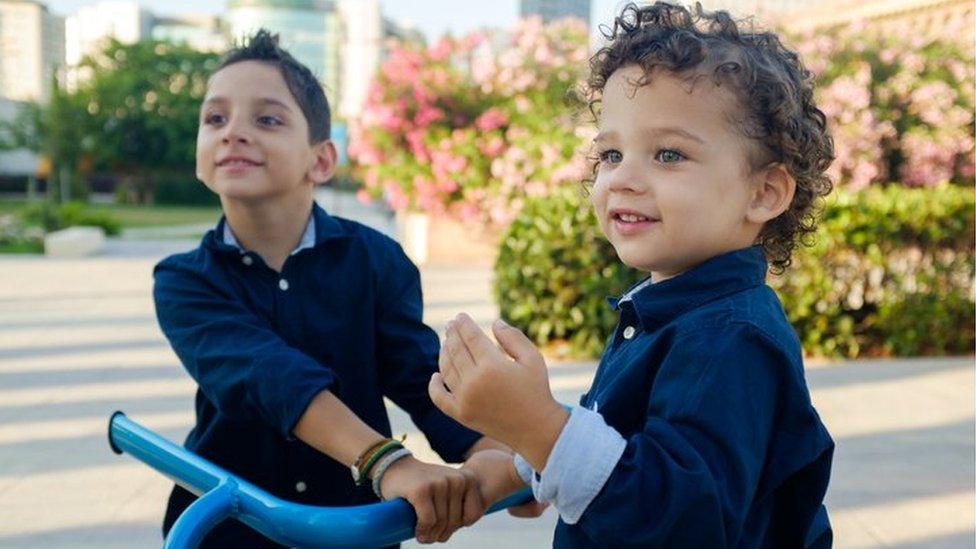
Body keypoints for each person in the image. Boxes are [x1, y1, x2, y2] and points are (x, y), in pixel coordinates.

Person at [432, 2, 836, 547]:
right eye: (611, 154)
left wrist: (539, 427)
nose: (622, 177)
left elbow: (681, 521)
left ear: (764, 192)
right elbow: (628, 439)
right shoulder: (672, 308)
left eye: (668, 154)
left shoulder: (730, 338)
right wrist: (516, 466)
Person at [153, 30, 504, 547]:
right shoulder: (184, 281)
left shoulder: (376, 260)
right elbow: (267, 373)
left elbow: (418, 374)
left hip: (354, 528)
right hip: (231, 528)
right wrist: (388, 461)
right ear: (201, 155)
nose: (233, 132)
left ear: (320, 160)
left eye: (267, 119)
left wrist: (489, 450)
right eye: (215, 118)